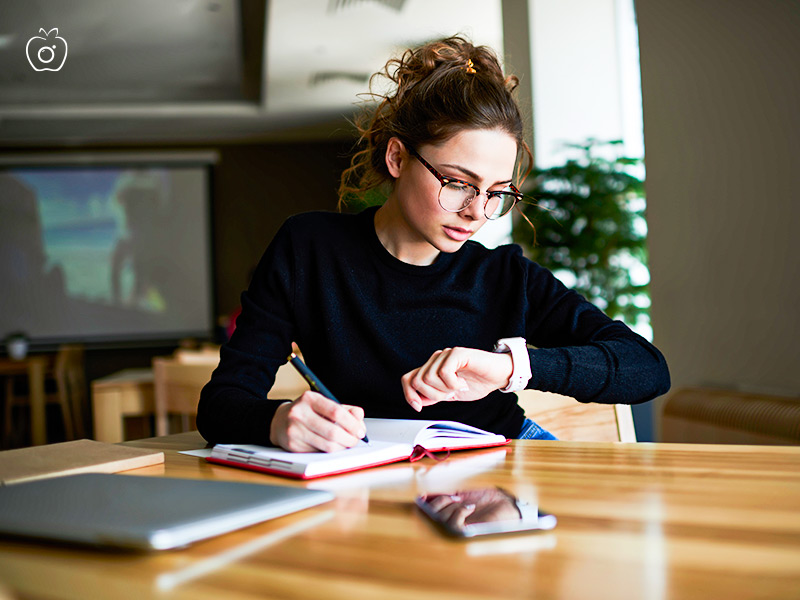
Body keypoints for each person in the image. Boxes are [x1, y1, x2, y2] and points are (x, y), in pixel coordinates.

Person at [197, 36, 670, 452]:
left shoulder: (505, 276)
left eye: (497, 192)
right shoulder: (309, 249)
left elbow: (647, 368)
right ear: (398, 157)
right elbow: (222, 405)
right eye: (458, 182)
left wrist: (508, 368)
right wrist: (279, 421)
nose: (476, 212)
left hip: (501, 461)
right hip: (370, 466)